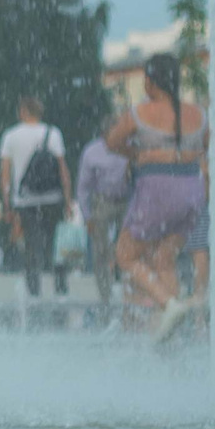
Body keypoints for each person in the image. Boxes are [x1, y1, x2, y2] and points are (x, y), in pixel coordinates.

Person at [105, 52, 211, 339]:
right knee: (165, 258)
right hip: (191, 190)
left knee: (125, 256)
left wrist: (138, 153)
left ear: (151, 82)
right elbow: (207, 147)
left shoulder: (141, 111)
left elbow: (112, 141)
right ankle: (171, 333)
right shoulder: (198, 113)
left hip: (157, 189)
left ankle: (169, 305)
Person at [0, 96, 73, 307]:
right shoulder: (53, 133)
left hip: (25, 199)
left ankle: (34, 292)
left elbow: (5, 173)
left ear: (23, 111)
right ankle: (61, 290)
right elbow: (62, 169)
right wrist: (67, 199)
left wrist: (7, 202)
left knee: (31, 244)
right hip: (52, 197)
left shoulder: (11, 136)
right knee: (55, 244)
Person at [77, 131, 132, 310]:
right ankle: (105, 295)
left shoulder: (130, 147)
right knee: (99, 249)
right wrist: (87, 216)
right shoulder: (92, 152)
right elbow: (84, 186)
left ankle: (129, 292)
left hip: (127, 199)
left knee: (130, 248)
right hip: (102, 200)